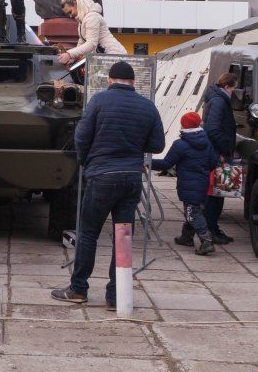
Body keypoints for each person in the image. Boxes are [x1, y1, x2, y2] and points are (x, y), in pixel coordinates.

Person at [53, 61, 165, 307]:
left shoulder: (98, 102)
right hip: (131, 178)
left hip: (102, 176)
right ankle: (116, 296)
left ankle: (79, 289)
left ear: (110, 81)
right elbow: (157, 145)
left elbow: (81, 137)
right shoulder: (147, 107)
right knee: (122, 235)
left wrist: (87, 161)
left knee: (88, 233)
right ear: (134, 82)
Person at [153, 111, 219, 256]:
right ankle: (186, 237)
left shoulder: (180, 144)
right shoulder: (207, 142)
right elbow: (213, 163)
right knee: (194, 210)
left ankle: (206, 241)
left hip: (188, 185)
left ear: (183, 125)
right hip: (202, 182)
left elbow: (166, 163)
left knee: (192, 213)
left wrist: (148, 163)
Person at [201, 72, 238, 244]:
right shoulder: (219, 101)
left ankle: (212, 228)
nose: (234, 92)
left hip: (218, 152)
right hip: (219, 154)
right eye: (233, 88)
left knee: (218, 192)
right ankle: (211, 229)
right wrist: (227, 147)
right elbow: (213, 129)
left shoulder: (217, 99)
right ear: (227, 87)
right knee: (216, 195)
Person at [54, 0, 125, 68]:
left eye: (70, 12)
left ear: (76, 3)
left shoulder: (92, 17)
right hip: (108, 56)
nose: (70, 16)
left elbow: (91, 44)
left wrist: (69, 54)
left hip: (113, 57)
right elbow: (82, 42)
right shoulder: (84, 20)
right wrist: (71, 57)